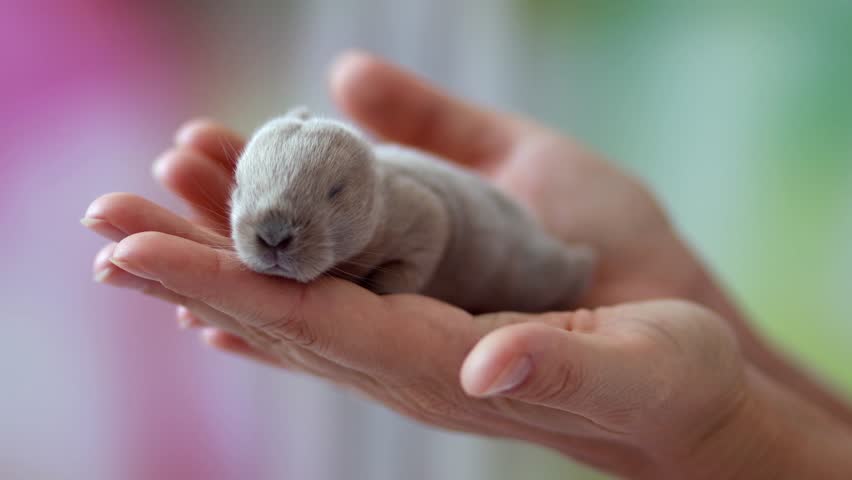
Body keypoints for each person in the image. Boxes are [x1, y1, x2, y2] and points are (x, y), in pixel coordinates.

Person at [82, 51, 852, 479]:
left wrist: (724, 436)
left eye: (327, 203)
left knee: (535, 268)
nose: (273, 234)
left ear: (366, 192)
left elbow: (431, 235)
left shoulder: (404, 209)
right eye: (251, 195)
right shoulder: (332, 180)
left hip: (514, 256)